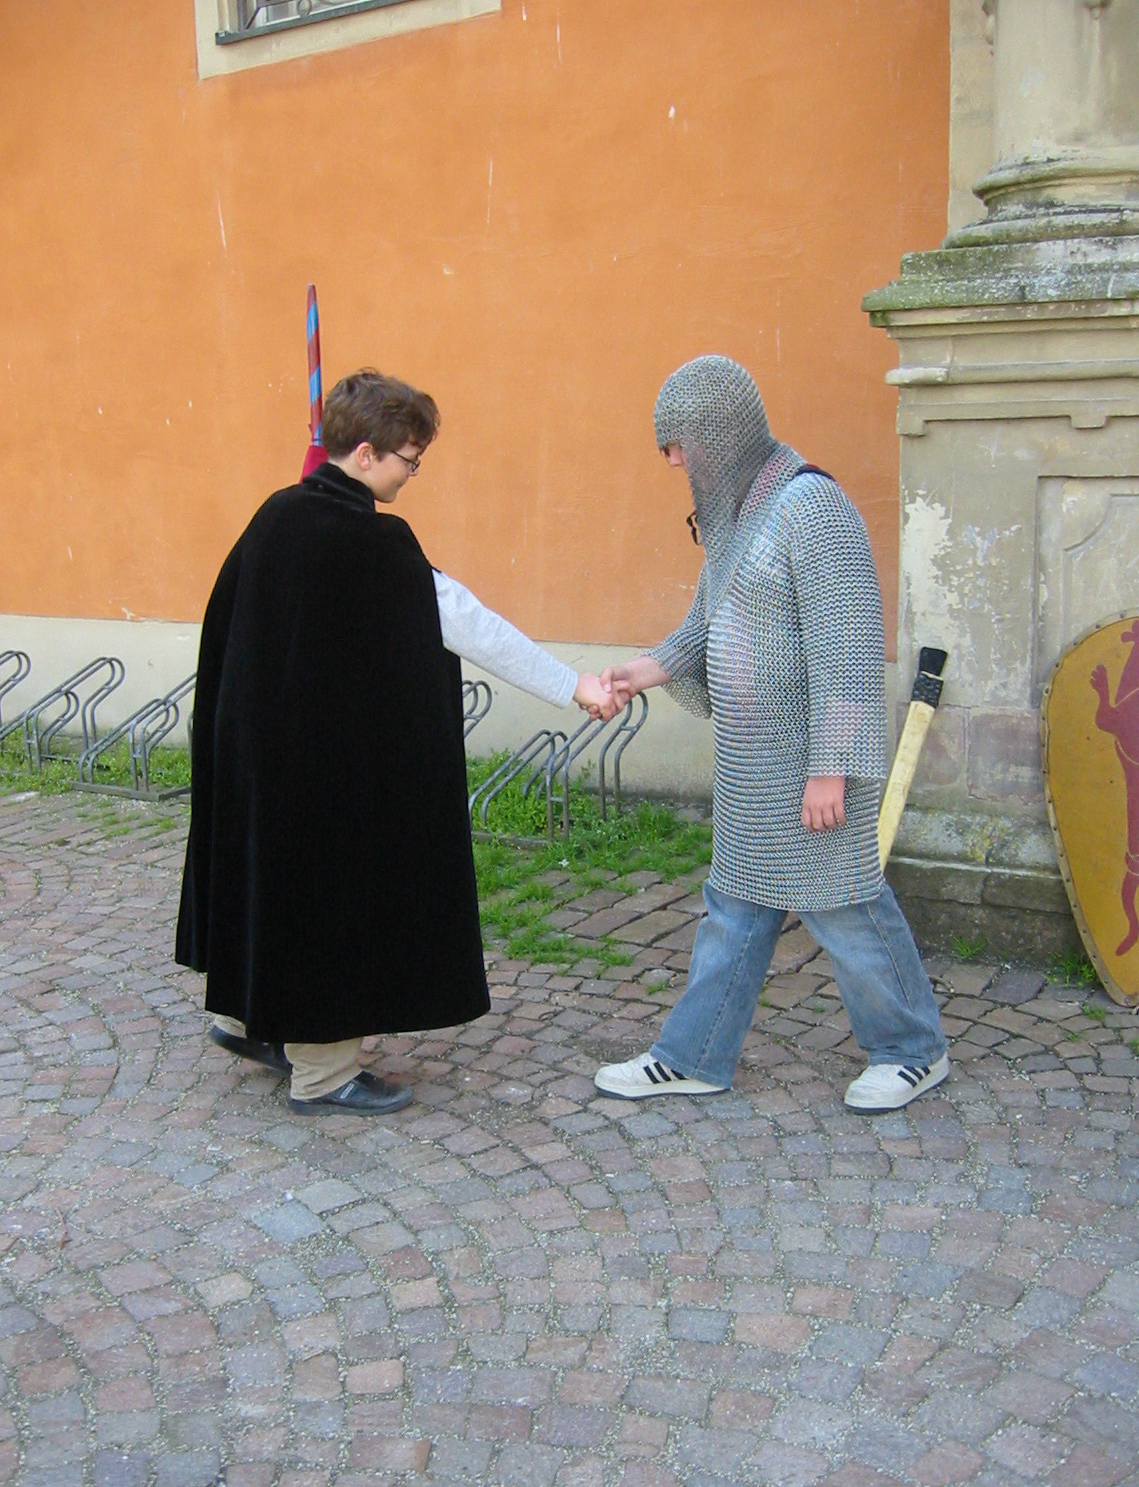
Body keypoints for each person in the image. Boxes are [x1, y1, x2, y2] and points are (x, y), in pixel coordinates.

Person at [176, 368, 615, 1115]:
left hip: (260, 758)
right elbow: (466, 621)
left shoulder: (275, 515)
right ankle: (323, 1072)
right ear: (367, 454)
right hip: (322, 774)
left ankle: (256, 1023)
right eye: (410, 460)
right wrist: (573, 685)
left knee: (269, 883)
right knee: (330, 897)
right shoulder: (372, 544)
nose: (413, 474)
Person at [595, 356, 948, 1114]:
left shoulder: (811, 507)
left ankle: (912, 1050)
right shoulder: (736, 517)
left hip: (810, 767)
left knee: (845, 907)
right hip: (756, 768)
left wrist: (831, 769)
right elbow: (708, 622)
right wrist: (645, 670)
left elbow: (846, 646)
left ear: (719, 431)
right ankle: (693, 1057)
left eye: (677, 442)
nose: (671, 460)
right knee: (735, 910)